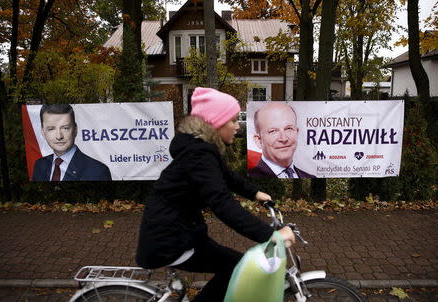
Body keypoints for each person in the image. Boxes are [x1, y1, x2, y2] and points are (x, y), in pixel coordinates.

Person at [136, 87, 295, 302]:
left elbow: (226, 176)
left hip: (182, 232)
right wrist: (270, 235)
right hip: (170, 241)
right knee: (236, 266)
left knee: (234, 265)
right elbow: (221, 203)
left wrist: (255, 193)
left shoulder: (201, 148)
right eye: (232, 121)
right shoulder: (199, 153)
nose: (238, 127)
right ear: (216, 123)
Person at [32, 104, 112, 181]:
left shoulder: (98, 172)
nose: (59, 136)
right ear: (43, 132)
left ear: (75, 129)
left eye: (65, 128)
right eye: (51, 129)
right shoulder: (39, 165)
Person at [249, 102, 315, 178]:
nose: (283, 139)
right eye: (273, 131)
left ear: (297, 132)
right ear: (258, 140)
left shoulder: (310, 177)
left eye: (288, 129)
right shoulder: (251, 178)